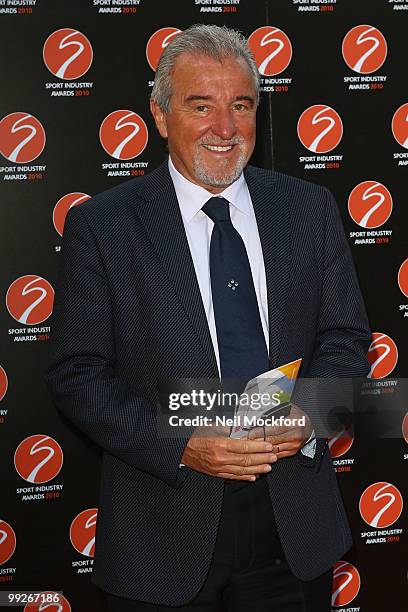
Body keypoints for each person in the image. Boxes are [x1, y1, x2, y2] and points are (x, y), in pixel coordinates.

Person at [45, 24, 371, 612]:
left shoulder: (309, 210)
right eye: (202, 106)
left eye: (240, 106)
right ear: (162, 115)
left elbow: (346, 338)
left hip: (293, 526)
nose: (225, 129)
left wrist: (310, 415)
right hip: (163, 531)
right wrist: (181, 445)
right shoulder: (105, 225)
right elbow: (78, 374)